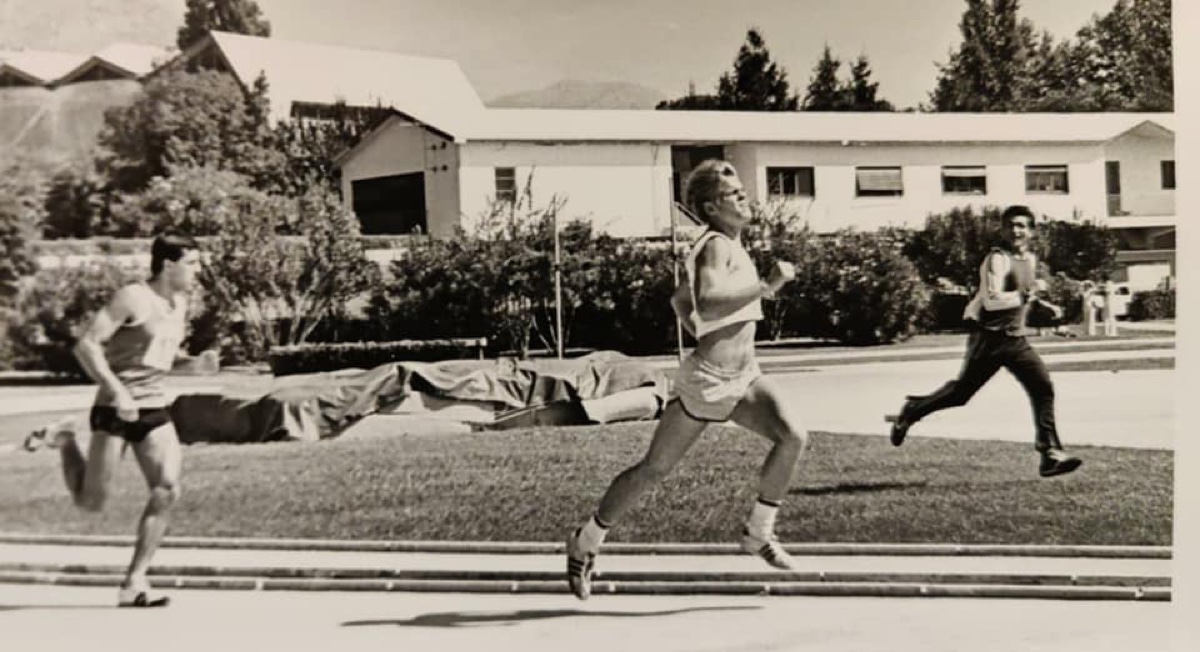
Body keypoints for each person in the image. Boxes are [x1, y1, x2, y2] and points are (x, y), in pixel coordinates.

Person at [564, 160, 807, 600]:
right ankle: (586, 540)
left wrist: (701, 330)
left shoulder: (731, 242)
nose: (745, 199)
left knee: (792, 437)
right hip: (710, 380)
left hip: (744, 375)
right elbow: (709, 301)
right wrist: (768, 286)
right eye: (735, 195)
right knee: (654, 469)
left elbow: (681, 299)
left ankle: (758, 533)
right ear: (713, 206)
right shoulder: (715, 245)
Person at [25, 234, 207, 607]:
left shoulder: (181, 303)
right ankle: (64, 441)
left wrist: (193, 365)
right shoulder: (133, 297)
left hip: (154, 407)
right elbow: (87, 345)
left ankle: (135, 582)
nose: (197, 271)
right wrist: (119, 392)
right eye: (192, 263)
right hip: (115, 408)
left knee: (168, 487)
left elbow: (157, 355)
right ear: (169, 264)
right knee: (91, 502)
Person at [886, 205, 1082, 478]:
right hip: (989, 340)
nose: (1016, 230)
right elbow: (992, 300)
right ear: (1002, 229)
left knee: (1043, 388)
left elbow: (1023, 296)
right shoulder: (997, 259)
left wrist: (1044, 305)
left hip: (1016, 340)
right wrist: (1027, 295)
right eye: (1011, 225)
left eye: (1022, 226)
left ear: (1032, 231)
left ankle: (1049, 453)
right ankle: (913, 410)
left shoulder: (1030, 260)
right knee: (960, 395)